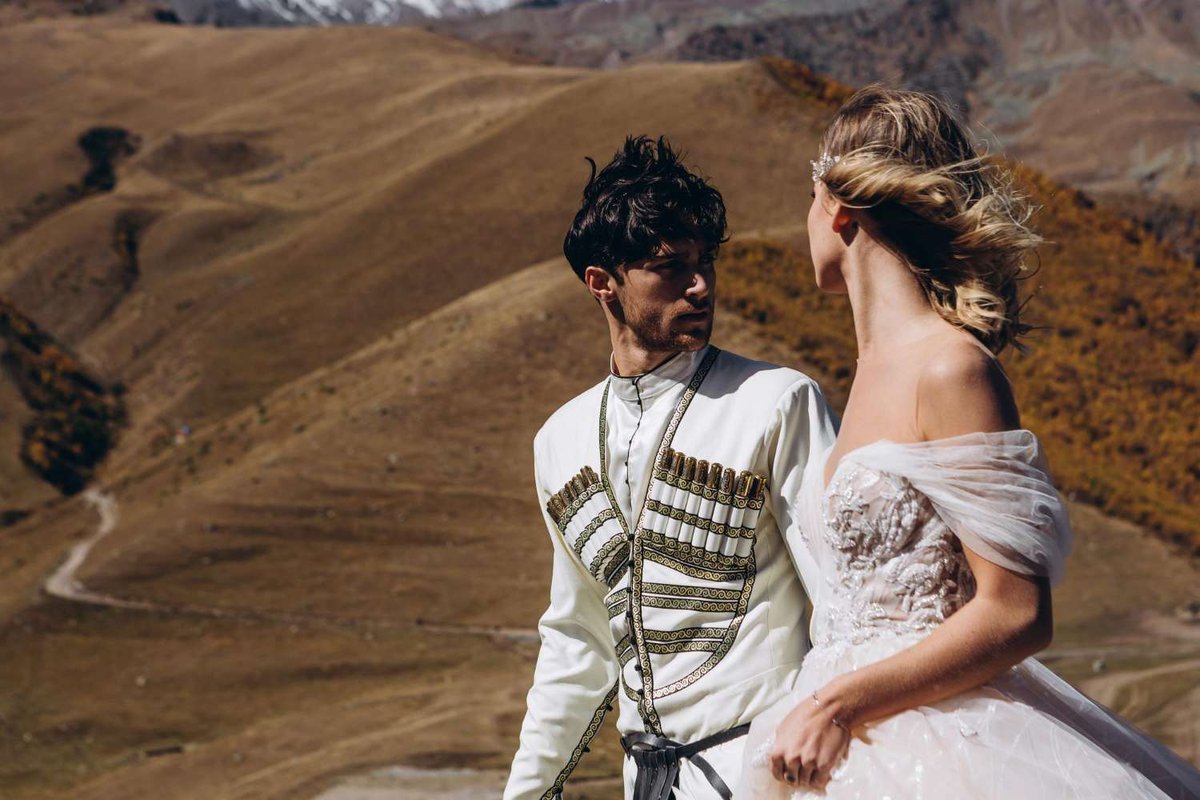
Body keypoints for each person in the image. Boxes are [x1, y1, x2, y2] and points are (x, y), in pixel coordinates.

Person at [738, 85, 1200, 799]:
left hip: (934, 746)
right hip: (838, 745)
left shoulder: (951, 368)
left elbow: (1017, 610)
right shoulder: (867, 377)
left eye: (808, 200)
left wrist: (841, 703)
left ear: (837, 205)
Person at [502, 136, 839, 800]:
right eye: (669, 267)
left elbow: (841, 599)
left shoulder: (777, 402)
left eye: (705, 262)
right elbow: (578, 640)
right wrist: (527, 792)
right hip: (646, 782)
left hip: (773, 771)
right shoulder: (560, 441)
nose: (701, 285)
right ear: (602, 282)